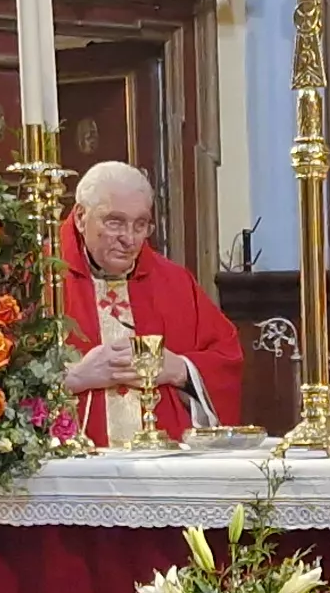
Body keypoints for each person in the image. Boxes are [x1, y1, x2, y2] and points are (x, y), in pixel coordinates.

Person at [57, 162, 246, 446]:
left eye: (141, 224)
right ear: (81, 217)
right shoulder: (41, 277)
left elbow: (227, 361)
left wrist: (181, 369)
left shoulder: (174, 281)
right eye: (114, 222)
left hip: (163, 467)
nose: (129, 239)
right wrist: (74, 378)